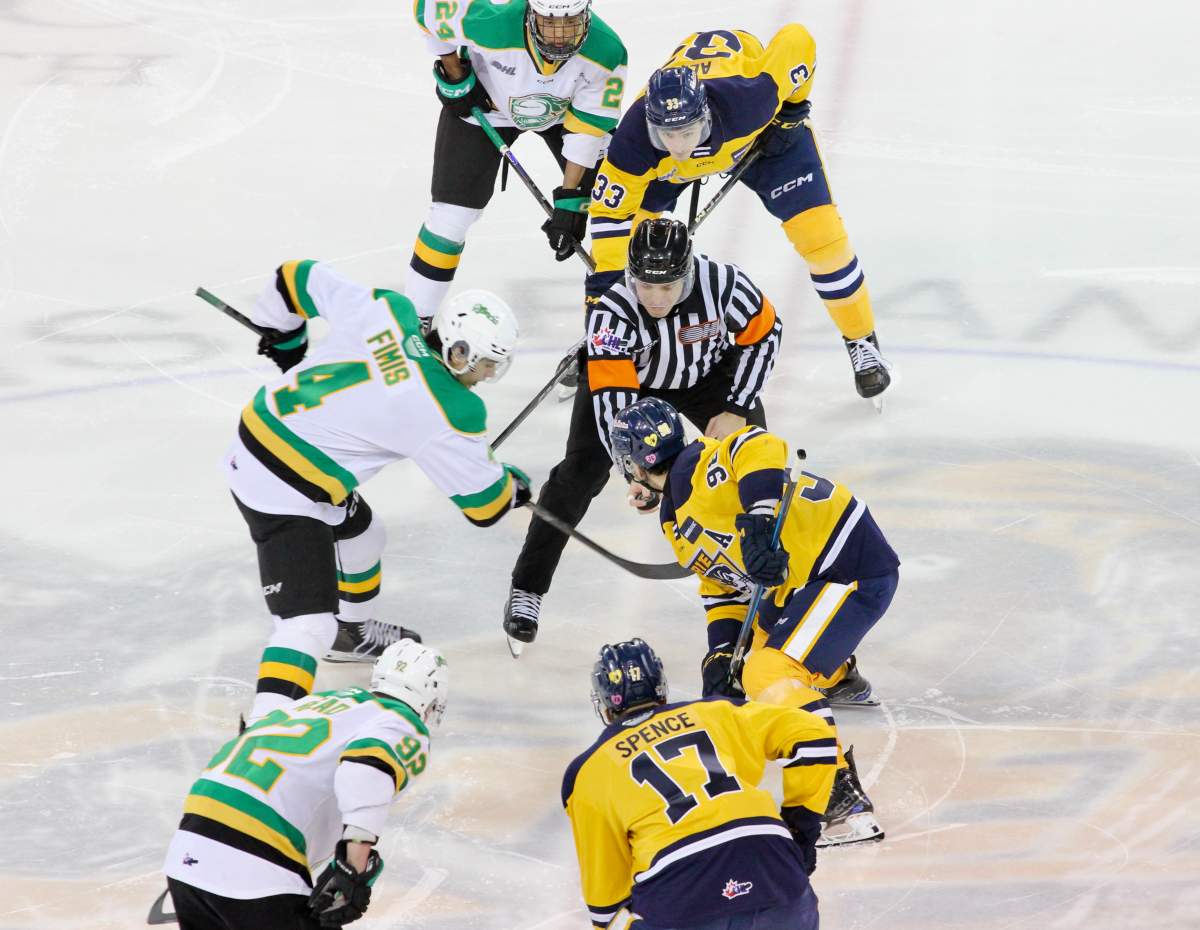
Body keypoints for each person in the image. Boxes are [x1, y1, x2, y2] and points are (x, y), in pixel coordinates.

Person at [227, 260, 529, 722]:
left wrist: (285, 337)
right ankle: (265, 730)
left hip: (268, 435)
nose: (487, 376)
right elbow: (485, 506)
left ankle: (349, 635)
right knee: (306, 624)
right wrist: (513, 487)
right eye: (486, 364)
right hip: (281, 486)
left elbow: (296, 276)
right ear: (459, 351)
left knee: (364, 536)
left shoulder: (390, 312)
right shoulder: (449, 409)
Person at [610, 397, 901, 845]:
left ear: (634, 464)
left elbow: (759, 444)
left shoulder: (702, 465)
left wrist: (758, 524)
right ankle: (838, 677)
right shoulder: (675, 516)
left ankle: (838, 798)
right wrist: (721, 650)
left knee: (768, 670)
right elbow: (723, 584)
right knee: (745, 665)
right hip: (801, 582)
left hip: (846, 567)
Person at [502, 219, 781, 652]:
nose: (654, 298)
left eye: (667, 288)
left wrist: (736, 407)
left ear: (687, 273)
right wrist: (636, 472)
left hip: (709, 378)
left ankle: (761, 561)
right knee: (577, 475)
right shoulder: (612, 313)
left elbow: (765, 334)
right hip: (633, 382)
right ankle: (527, 588)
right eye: (645, 286)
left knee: (751, 459)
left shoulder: (725, 286)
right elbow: (616, 406)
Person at [587, 26, 892, 401]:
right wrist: (605, 297)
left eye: (688, 132)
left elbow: (797, 41)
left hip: (760, 139)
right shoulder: (634, 140)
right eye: (667, 134)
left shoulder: (751, 100)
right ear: (650, 124)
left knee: (823, 242)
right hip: (669, 169)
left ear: (707, 115)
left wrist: (792, 110)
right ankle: (621, 338)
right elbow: (608, 217)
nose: (679, 145)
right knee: (639, 251)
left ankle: (861, 338)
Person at [162, 638, 447, 930]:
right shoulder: (402, 720)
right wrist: (354, 867)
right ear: (431, 702)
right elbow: (366, 771)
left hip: (187, 854)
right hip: (255, 863)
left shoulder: (312, 705)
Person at [562, 638, 835, 930]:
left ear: (604, 702)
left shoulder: (587, 771)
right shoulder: (716, 712)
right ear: (660, 687)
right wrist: (800, 827)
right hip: (775, 872)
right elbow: (813, 735)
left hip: (682, 895)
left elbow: (606, 904)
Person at [407, 0, 628, 319]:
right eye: (550, 21)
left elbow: (588, 126)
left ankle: (620, 315)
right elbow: (426, 9)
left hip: (563, 116)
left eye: (571, 21)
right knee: (450, 217)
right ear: (530, 12)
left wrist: (570, 198)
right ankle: (416, 322)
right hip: (486, 108)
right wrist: (453, 73)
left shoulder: (606, 50)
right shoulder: (492, 23)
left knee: (613, 204)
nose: (560, 35)